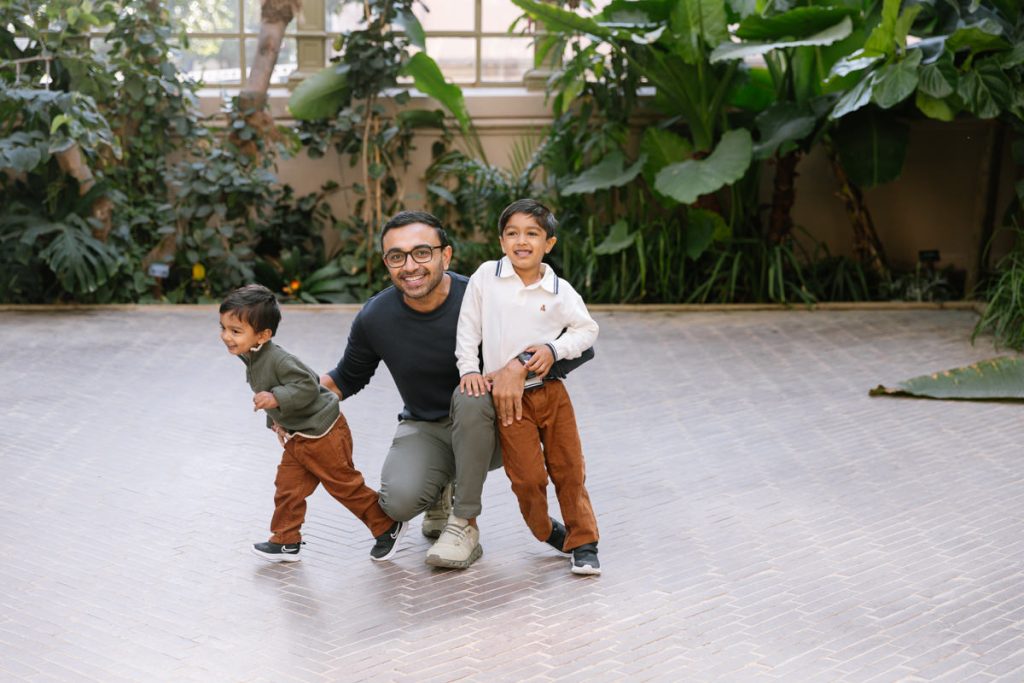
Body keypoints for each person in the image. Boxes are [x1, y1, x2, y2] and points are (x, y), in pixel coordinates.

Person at [321, 211, 590, 570]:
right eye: (396, 257)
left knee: (471, 392)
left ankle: (465, 524)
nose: (410, 266)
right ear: (386, 263)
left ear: (445, 256)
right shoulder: (376, 316)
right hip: (425, 426)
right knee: (398, 502)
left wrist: (519, 366)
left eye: (422, 253)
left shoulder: (484, 293)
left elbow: (583, 345)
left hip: (494, 425)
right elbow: (345, 378)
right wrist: (291, 407)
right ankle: (439, 491)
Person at [455, 199, 602, 575]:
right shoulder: (487, 276)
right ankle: (546, 530)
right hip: (508, 399)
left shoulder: (558, 289)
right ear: (502, 241)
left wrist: (555, 349)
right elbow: (468, 328)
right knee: (527, 478)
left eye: (532, 234)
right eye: (513, 233)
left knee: (569, 468)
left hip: (550, 391)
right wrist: (469, 369)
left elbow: (587, 330)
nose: (522, 241)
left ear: (548, 244)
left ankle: (584, 541)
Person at [219, 284, 406, 563]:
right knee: (288, 488)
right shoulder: (252, 355)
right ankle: (285, 540)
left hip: (324, 433)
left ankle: (387, 526)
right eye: (223, 328)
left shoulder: (278, 359)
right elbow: (272, 392)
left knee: (344, 485)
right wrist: (276, 422)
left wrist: (275, 398)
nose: (226, 337)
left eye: (235, 331)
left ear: (263, 335)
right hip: (299, 436)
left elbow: (307, 385)